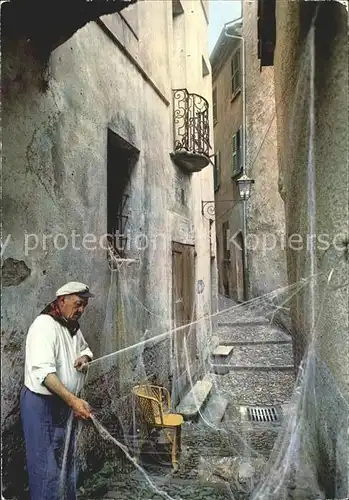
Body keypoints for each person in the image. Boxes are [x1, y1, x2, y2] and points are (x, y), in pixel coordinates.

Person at [20, 281, 95, 500]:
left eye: (84, 306)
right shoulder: (44, 326)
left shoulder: (71, 326)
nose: (81, 310)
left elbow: (85, 348)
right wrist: (74, 402)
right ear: (62, 300)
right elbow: (45, 375)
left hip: (64, 405)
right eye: (78, 304)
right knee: (46, 471)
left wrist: (85, 357)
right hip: (41, 405)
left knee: (65, 462)